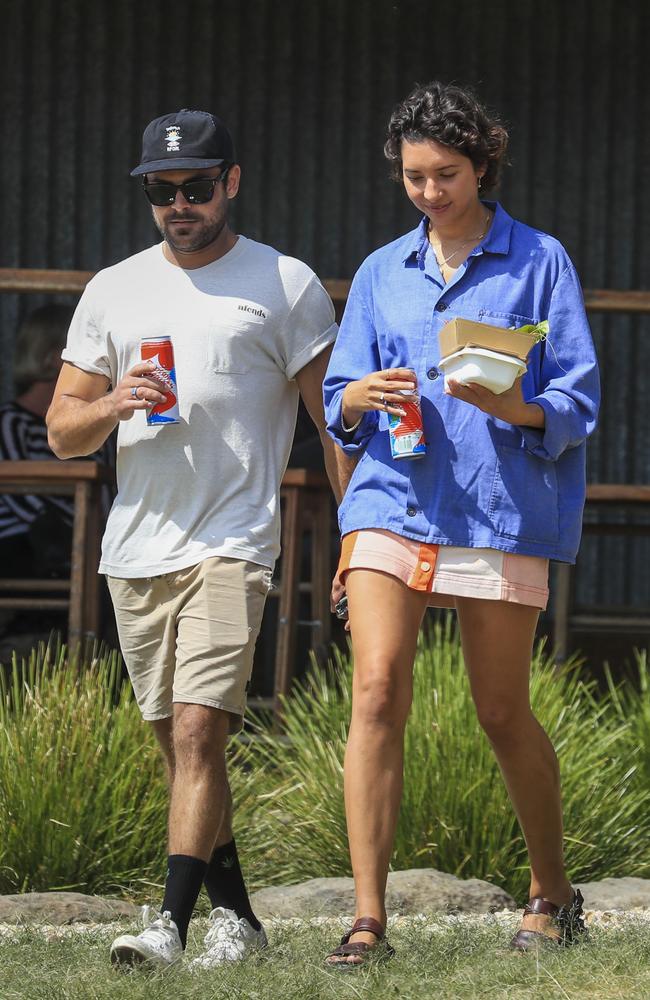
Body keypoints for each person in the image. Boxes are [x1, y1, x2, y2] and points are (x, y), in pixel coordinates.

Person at [46, 109, 350, 970]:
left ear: (232, 182)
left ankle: (167, 928)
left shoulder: (284, 283)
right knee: (177, 754)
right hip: (137, 547)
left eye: (196, 186)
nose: (180, 204)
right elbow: (65, 431)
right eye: (161, 190)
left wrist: (356, 537)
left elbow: (332, 425)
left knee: (197, 736)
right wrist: (111, 404)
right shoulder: (114, 288)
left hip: (234, 538)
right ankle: (241, 922)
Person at [323, 81, 600, 965]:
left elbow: (578, 400)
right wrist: (359, 397)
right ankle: (368, 919)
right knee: (374, 692)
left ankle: (553, 893)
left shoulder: (541, 261)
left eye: (445, 175)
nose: (430, 193)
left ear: (483, 164)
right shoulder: (377, 272)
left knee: (501, 710)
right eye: (413, 178)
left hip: (498, 506)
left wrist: (519, 405)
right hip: (389, 501)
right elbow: (340, 399)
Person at [0, 304, 113, 596]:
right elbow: (16, 491)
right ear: (53, 360)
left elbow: (102, 493)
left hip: (83, 546)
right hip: (27, 542)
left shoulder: (94, 425)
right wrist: (59, 532)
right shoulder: (11, 422)